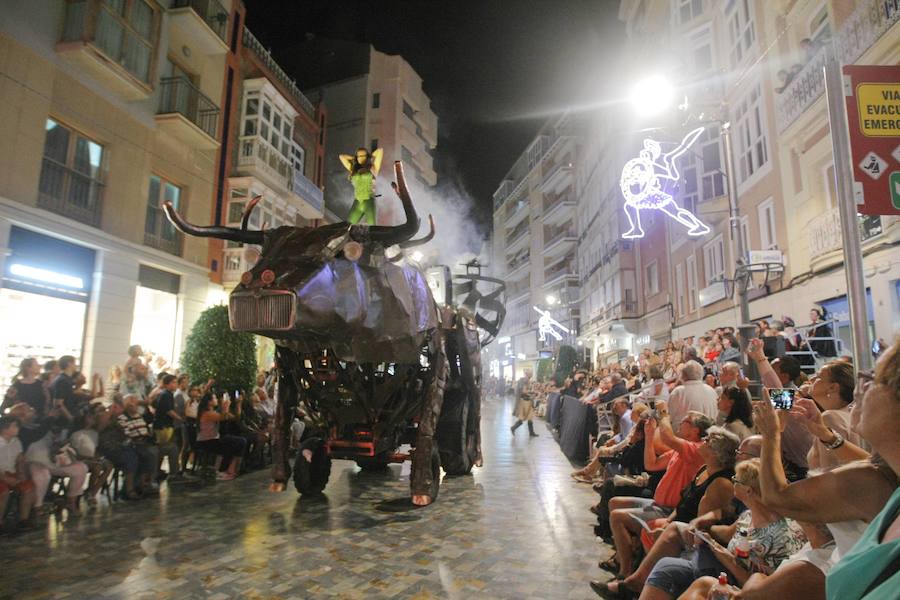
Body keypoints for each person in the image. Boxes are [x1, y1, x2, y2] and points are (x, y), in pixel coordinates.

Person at [641, 459, 806, 600]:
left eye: (736, 479)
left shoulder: (781, 536)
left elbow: (767, 588)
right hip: (722, 567)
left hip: (741, 586)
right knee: (667, 567)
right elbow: (727, 533)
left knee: (696, 581)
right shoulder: (748, 515)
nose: (732, 481)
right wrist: (704, 531)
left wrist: (722, 554)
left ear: (748, 490)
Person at [825, 338, 900, 599]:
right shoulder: (895, 502)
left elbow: (780, 497)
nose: (861, 389)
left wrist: (772, 434)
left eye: (874, 378)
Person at [602, 408, 714, 579]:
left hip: (668, 510)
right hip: (657, 503)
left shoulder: (696, 449)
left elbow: (668, 437)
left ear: (695, 430)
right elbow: (651, 464)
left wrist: (663, 414)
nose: (680, 423)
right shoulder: (679, 450)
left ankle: (625, 570)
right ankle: (627, 551)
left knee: (617, 516)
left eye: (685, 421)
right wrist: (649, 435)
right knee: (615, 502)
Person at [26, 416, 88, 516]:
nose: (57, 429)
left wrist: (63, 447)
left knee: (81, 468)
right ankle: (37, 506)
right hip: (36, 461)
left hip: (55, 463)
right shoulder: (36, 431)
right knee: (42, 475)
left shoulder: (63, 432)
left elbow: (63, 451)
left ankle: (71, 502)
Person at [196, 393, 246, 480]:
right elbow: (223, 417)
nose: (217, 400)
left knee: (241, 441)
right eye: (214, 398)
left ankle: (231, 470)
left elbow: (235, 417)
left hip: (214, 438)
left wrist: (239, 404)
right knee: (238, 443)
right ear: (209, 402)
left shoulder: (214, 412)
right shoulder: (206, 413)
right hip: (207, 441)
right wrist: (226, 406)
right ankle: (229, 470)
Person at [0, 415, 36, 531]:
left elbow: (20, 459)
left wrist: (21, 472)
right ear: (5, 428)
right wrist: (5, 478)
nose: (18, 428)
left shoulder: (16, 441)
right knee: (3, 491)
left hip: (11, 472)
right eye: (15, 426)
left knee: (29, 487)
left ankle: (23, 519)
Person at [339, 146, 384, 225]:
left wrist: (370, 157)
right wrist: (354, 158)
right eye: (359, 156)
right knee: (347, 227)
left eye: (363, 156)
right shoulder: (353, 170)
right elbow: (341, 157)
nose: (360, 158)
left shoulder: (373, 168)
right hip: (357, 202)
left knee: (372, 228)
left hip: (369, 201)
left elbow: (380, 150)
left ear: (367, 156)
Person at [510, 368, 538, 437]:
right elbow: (524, 391)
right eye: (531, 373)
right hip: (525, 402)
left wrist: (531, 394)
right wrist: (532, 392)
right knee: (522, 418)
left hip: (526, 401)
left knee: (529, 417)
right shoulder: (525, 380)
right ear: (528, 374)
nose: (532, 374)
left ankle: (531, 432)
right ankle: (513, 428)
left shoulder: (524, 380)